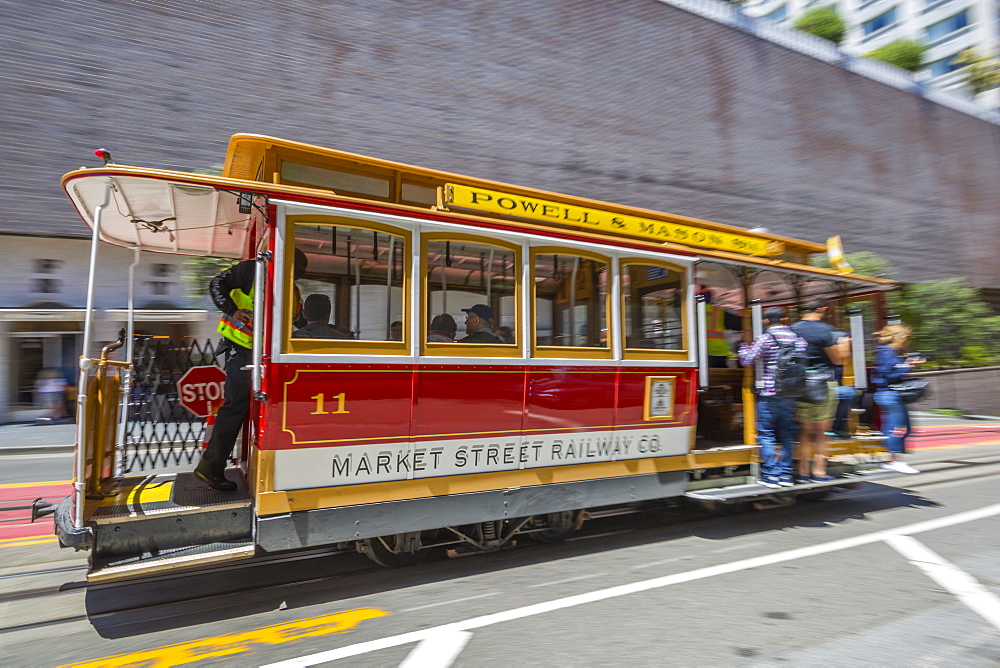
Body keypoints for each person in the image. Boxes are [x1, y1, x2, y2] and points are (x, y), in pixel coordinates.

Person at [194, 249, 307, 491]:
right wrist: (232, 310)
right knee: (235, 408)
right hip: (242, 349)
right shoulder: (252, 269)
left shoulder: (291, 289)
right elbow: (216, 284)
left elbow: (295, 321)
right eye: (294, 269)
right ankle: (210, 468)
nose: (294, 275)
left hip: (266, 355)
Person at [738, 306, 807, 488]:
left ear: (766, 321)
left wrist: (742, 346)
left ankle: (771, 476)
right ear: (784, 318)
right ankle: (785, 475)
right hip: (791, 394)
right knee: (787, 435)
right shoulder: (798, 339)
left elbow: (747, 360)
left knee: (767, 434)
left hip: (769, 393)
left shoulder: (766, 338)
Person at [791, 298, 851, 482]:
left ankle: (802, 472)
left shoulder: (793, 329)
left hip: (799, 383)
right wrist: (844, 344)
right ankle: (818, 472)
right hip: (822, 382)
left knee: (804, 430)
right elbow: (838, 360)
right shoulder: (825, 330)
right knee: (821, 431)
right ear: (823, 308)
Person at [872, 324, 924, 474]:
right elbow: (888, 375)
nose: (906, 341)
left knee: (906, 428)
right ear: (898, 338)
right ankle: (893, 461)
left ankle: (893, 460)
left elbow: (891, 371)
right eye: (905, 338)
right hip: (889, 394)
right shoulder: (885, 352)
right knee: (896, 429)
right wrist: (907, 366)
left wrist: (906, 364)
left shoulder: (890, 352)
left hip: (892, 394)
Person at [699, 286, 742, 368]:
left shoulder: (691, 311)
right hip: (717, 352)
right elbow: (737, 325)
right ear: (710, 297)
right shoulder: (718, 311)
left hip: (697, 351)